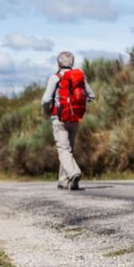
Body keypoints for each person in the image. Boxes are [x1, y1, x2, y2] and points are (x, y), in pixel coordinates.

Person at [41, 51, 95, 191]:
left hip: (59, 118)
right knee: (68, 150)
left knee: (63, 149)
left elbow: (46, 99)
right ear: (72, 62)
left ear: (58, 63)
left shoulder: (55, 77)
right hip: (75, 118)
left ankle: (73, 173)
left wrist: (47, 110)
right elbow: (91, 95)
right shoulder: (79, 77)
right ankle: (63, 181)